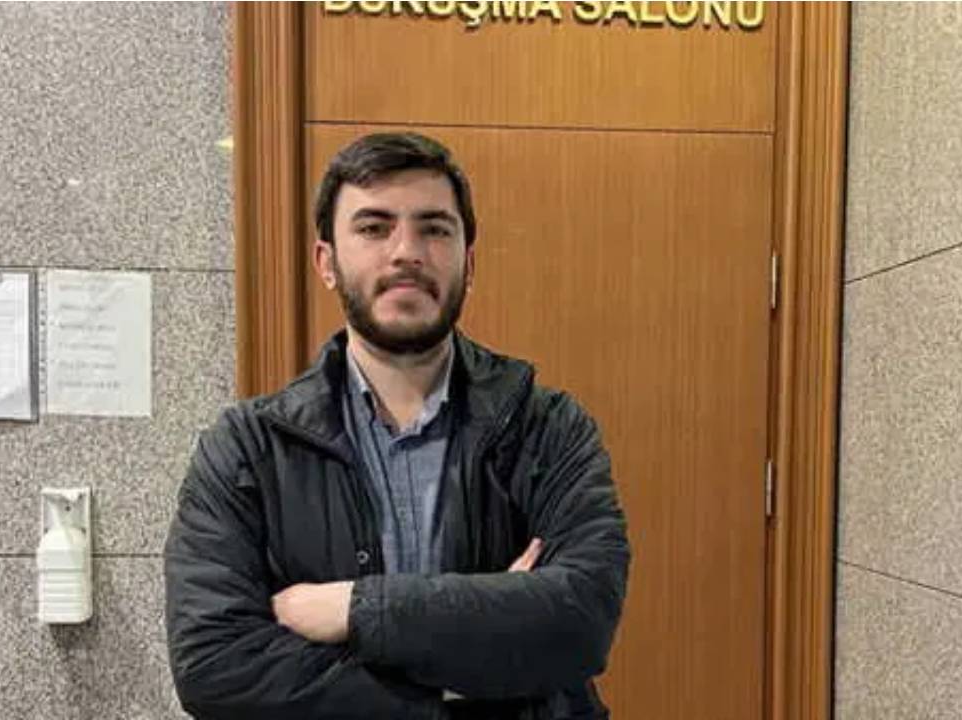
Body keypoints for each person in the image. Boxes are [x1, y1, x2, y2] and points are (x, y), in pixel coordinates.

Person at [164, 132, 631, 719]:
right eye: (374, 228)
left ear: (468, 262)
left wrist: (353, 609)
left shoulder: (548, 428)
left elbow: (581, 620)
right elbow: (214, 666)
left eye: (434, 229)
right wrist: (467, 678)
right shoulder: (247, 450)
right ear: (327, 262)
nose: (406, 251)